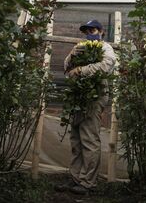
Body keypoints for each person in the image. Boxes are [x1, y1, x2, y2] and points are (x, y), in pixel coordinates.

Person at [56, 19, 116, 195]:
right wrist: (73, 55)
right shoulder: (80, 47)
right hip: (78, 97)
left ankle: (88, 182)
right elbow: (66, 67)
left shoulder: (105, 48)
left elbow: (107, 65)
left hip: (94, 97)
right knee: (76, 139)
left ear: (101, 32)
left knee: (89, 139)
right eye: (87, 30)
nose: (90, 33)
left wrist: (82, 71)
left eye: (93, 29)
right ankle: (76, 179)